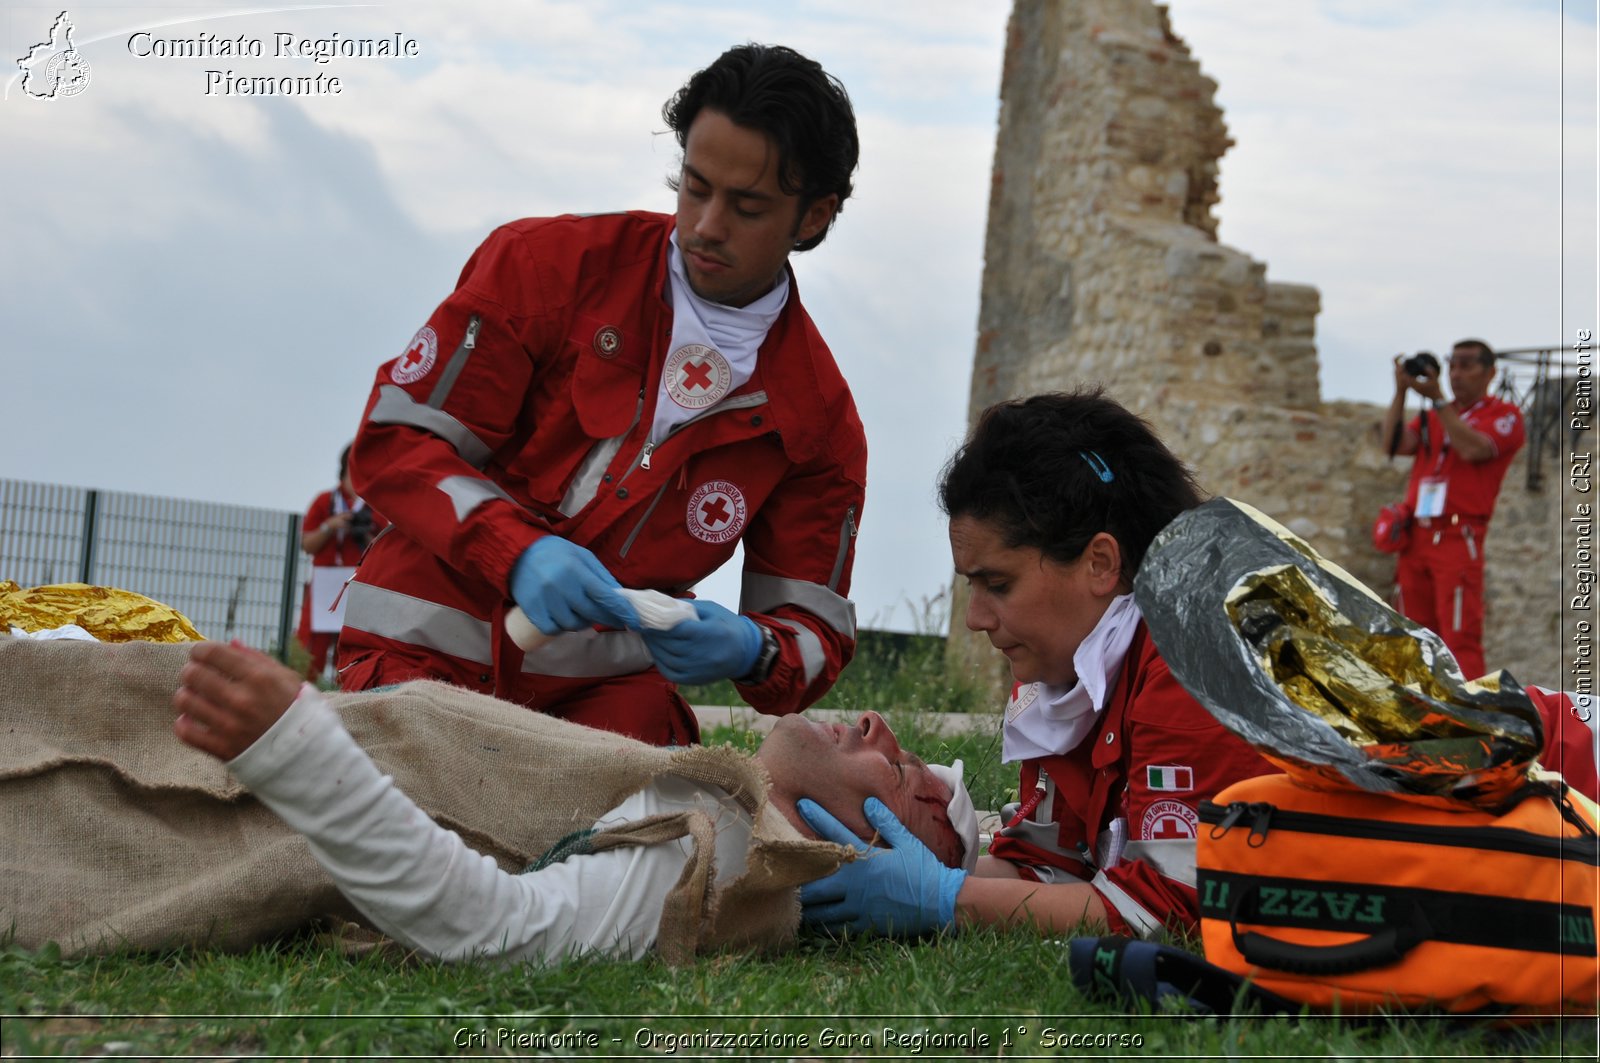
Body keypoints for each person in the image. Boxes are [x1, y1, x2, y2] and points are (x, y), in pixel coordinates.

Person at [336, 43, 866, 746]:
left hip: (597, 701)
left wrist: (751, 648)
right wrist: (516, 549)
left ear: (814, 216)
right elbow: (393, 443)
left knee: (663, 805)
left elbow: (812, 634)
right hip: (414, 660)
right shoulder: (545, 268)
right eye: (695, 185)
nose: (707, 225)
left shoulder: (819, 421)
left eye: (747, 206)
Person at [0, 635, 974, 964]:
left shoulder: (721, 858)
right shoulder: (723, 798)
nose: (883, 729)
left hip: (149, 809)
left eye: (910, 780)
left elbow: (495, 926)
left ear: (872, 846)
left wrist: (295, 747)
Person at [797, 389, 1275, 940]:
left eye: (998, 584)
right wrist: (871, 865)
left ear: (1100, 563)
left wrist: (947, 899)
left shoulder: (1196, 659)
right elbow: (1052, 869)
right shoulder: (1064, 669)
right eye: (972, 586)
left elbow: (1177, 910)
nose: (976, 617)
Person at [1379, 339, 1525, 679]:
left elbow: (1473, 449)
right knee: (1411, 632)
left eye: (1466, 365)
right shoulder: (1433, 416)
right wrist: (1401, 392)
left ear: (1490, 373)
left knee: (1460, 635)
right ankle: (1418, 713)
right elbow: (1393, 444)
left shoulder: (1504, 416)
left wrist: (1439, 400)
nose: (1456, 374)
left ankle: (1473, 717)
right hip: (1417, 536)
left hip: (1459, 537)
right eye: (1452, 365)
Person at [295, 443, 385, 681]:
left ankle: (345, 696)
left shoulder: (375, 505)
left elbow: (385, 548)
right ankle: (301, 694)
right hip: (325, 585)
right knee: (309, 648)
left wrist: (364, 534)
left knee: (351, 649)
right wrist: (330, 526)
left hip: (358, 585)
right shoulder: (325, 501)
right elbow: (307, 544)